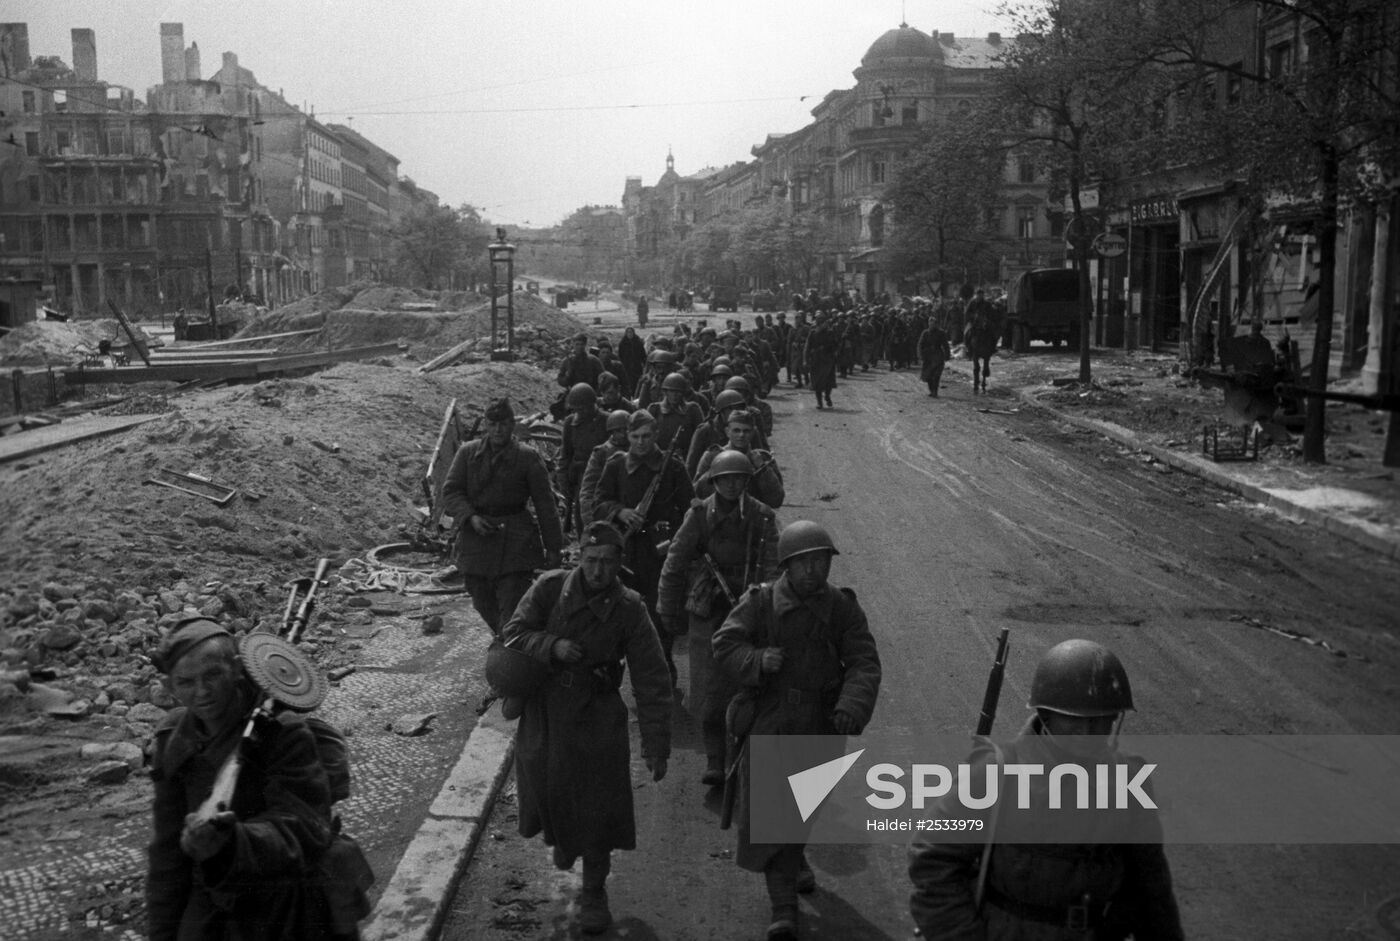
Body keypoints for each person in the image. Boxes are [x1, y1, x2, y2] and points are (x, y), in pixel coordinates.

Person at [908, 639, 1184, 941]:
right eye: (1075, 720)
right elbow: (933, 859)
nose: (1088, 733)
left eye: (1100, 720)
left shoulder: (1128, 781)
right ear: (1046, 715)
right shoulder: (998, 772)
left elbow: (1150, 886)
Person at [713, 521, 882, 941]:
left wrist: (851, 705)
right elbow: (724, 644)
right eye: (802, 563)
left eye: (819, 561)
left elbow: (863, 660)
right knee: (772, 813)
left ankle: (793, 856)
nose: (812, 571)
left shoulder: (842, 608)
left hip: (822, 723)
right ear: (786, 566)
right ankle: (783, 906)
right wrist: (755, 660)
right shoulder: (761, 603)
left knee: (805, 809)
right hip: (771, 719)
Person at [502, 521, 673, 935]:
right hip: (545, 712)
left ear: (619, 564)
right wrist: (551, 646)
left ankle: (594, 891)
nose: (598, 571)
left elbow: (652, 676)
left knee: (598, 805)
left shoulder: (630, 607)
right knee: (547, 786)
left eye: (608, 563)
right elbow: (512, 634)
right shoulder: (548, 588)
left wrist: (656, 743)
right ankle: (565, 844)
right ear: (579, 557)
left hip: (597, 714)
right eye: (591, 560)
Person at [147, 619, 340, 940]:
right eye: (186, 682)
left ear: (237, 669)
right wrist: (162, 932)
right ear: (169, 687)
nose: (202, 692)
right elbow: (167, 852)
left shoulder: (283, 732)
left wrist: (232, 841)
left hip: (281, 903)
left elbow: (306, 829)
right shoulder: (173, 739)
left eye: (213, 676)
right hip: (210, 896)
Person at [658, 450, 778, 787]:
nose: (731, 485)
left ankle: (747, 756)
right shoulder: (698, 516)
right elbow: (675, 563)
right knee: (709, 691)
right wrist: (668, 609)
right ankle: (714, 759)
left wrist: (762, 594)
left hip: (750, 610)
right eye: (725, 479)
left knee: (750, 683)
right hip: (708, 610)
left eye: (738, 479)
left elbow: (773, 565)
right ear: (714, 481)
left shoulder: (763, 517)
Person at [441, 398, 564, 636]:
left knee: (512, 602)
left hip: (516, 540)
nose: (498, 430)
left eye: (504, 424)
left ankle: (510, 650)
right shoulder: (468, 453)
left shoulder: (527, 457)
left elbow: (545, 505)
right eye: (493, 424)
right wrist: (470, 517)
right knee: (480, 598)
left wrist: (553, 548)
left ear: (512, 425)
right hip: (476, 540)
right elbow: (451, 490)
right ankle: (505, 638)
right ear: (486, 425)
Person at [595, 410, 695, 687]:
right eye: (635, 436)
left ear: (656, 435)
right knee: (619, 613)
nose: (641, 442)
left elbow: (690, 507)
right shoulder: (616, 465)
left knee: (660, 614)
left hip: (660, 554)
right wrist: (621, 512)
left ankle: (662, 666)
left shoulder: (672, 466)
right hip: (625, 553)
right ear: (626, 436)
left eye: (647, 436)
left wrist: (677, 537)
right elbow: (599, 502)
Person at [693, 408, 785, 510]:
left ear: (753, 432)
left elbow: (776, 500)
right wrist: (717, 467)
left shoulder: (763, 459)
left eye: (746, 431)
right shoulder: (712, 456)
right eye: (736, 430)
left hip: (753, 518)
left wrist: (762, 469)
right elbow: (697, 493)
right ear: (727, 431)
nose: (741, 435)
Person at [559, 383, 610, 533]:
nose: (579, 412)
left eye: (582, 408)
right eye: (576, 409)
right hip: (580, 478)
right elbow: (565, 454)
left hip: (604, 476)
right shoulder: (570, 423)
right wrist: (563, 480)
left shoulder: (607, 420)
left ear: (592, 404)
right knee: (583, 519)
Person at [579, 409, 632, 525]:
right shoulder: (601, 453)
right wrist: (590, 520)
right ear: (611, 432)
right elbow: (588, 489)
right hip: (609, 512)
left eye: (626, 430)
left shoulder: (638, 448)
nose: (623, 434)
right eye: (618, 431)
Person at [918, 316, 953, 397]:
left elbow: (945, 345)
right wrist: (920, 355)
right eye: (930, 323)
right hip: (928, 357)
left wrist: (947, 355)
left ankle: (935, 391)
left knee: (936, 375)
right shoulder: (925, 333)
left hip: (938, 356)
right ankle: (931, 390)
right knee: (928, 376)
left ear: (936, 324)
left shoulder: (941, 333)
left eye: (934, 323)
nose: (932, 325)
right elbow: (920, 344)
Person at [618, 327, 647, 397]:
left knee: (637, 383)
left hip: (636, 367)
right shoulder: (623, 343)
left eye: (631, 332)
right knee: (628, 383)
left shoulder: (638, 342)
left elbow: (643, 354)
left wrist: (645, 363)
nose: (630, 334)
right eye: (628, 332)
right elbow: (620, 355)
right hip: (627, 367)